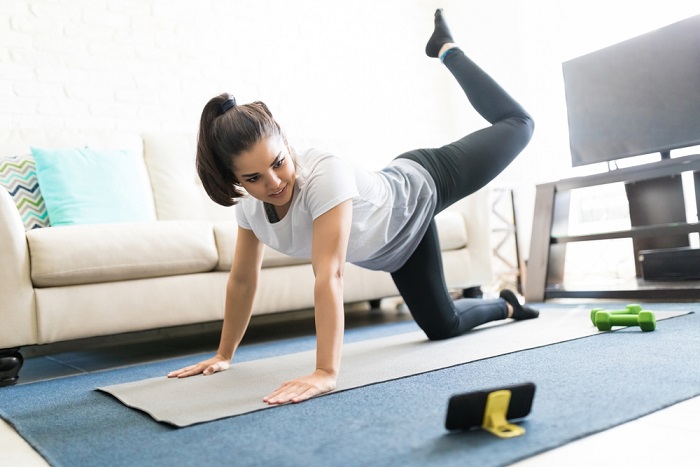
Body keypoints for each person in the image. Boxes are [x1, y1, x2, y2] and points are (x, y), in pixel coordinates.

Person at [168, 9, 539, 405]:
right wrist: (225, 354)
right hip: (397, 248)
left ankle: (446, 50)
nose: (274, 183)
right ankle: (506, 304)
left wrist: (325, 372)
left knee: (519, 124)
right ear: (235, 180)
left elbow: (330, 272)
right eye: (253, 178)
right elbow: (242, 281)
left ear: (287, 143)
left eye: (279, 163)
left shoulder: (323, 175)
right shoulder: (250, 211)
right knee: (442, 326)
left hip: (421, 185)